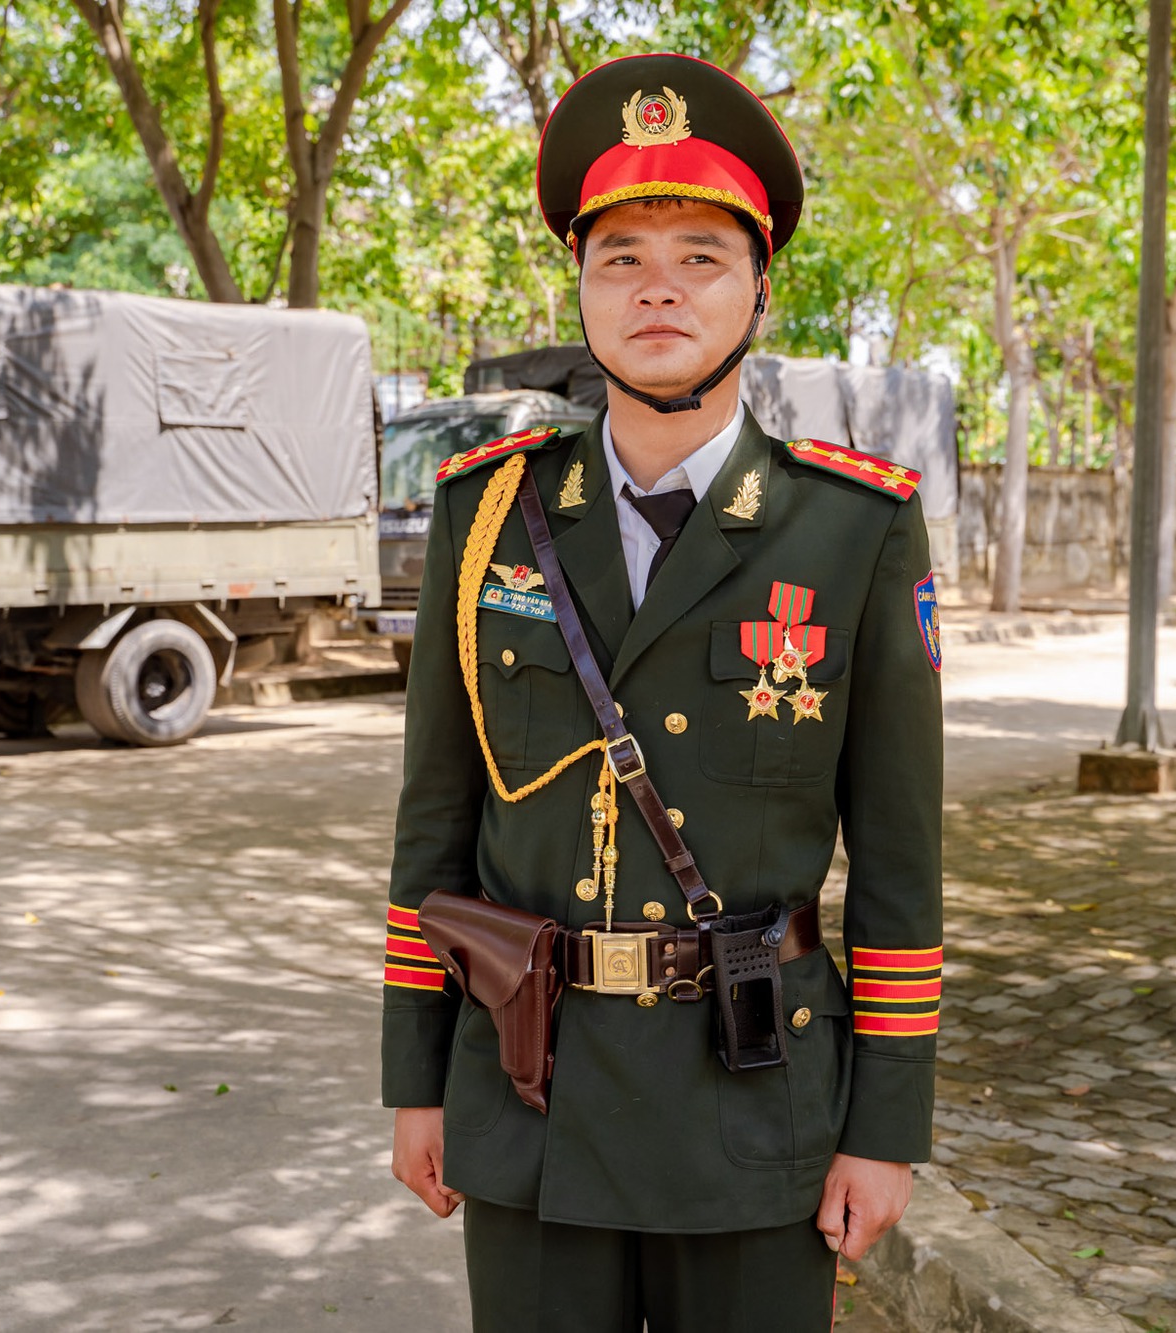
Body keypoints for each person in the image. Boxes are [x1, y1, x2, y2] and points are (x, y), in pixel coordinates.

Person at [382, 51, 943, 1333]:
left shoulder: (849, 527)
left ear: (756, 287)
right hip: (533, 1097)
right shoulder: (487, 516)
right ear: (580, 288)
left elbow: (902, 859)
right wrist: (413, 1081)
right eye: (619, 258)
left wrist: (884, 1128)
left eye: (699, 255)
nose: (657, 290)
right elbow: (434, 826)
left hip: (753, 1105)